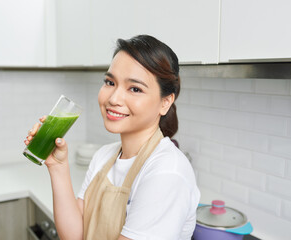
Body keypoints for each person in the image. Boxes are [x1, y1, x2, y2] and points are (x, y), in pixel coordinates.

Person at [25, 35, 200, 240]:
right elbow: (74, 236)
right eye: (110, 82)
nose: (113, 98)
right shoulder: (104, 156)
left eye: (135, 88)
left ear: (165, 102)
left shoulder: (167, 171)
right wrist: (57, 167)